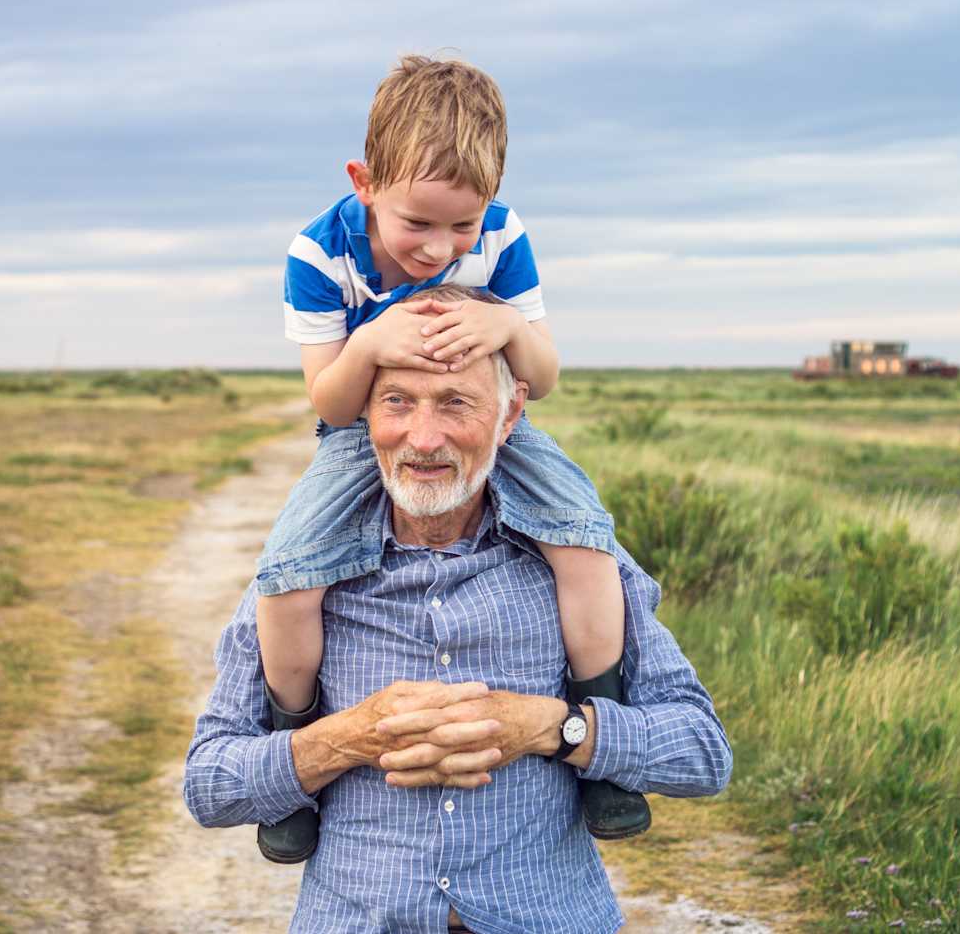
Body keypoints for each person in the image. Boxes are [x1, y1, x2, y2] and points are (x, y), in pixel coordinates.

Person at [184, 288, 733, 933]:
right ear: (363, 413)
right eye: (397, 402)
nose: (423, 438)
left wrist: (552, 729)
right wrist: (345, 739)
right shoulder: (300, 575)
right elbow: (210, 784)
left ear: (510, 413)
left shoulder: (583, 562)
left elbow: (702, 753)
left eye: (456, 404)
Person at [255, 53, 645, 864]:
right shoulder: (318, 254)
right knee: (290, 571)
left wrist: (507, 330)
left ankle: (603, 735)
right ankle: (293, 756)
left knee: (585, 538)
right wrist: (371, 344)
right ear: (364, 182)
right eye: (418, 224)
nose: (441, 248)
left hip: (498, 419)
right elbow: (327, 402)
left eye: (462, 225)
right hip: (363, 432)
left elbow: (544, 378)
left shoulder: (504, 235)